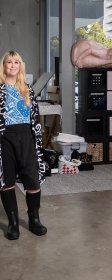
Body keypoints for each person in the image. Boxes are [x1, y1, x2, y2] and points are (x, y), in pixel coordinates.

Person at [0, 50, 47, 240]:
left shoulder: (28, 89)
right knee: (6, 181)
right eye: (9, 62)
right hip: (4, 138)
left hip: (26, 137)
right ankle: (13, 223)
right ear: (3, 66)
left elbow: (35, 118)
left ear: (20, 66)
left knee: (32, 180)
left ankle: (34, 219)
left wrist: (37, 141)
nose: (12, 65)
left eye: (16, 62)